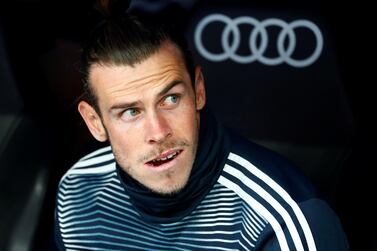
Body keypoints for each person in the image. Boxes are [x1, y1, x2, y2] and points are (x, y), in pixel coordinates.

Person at [54, 2, 349, 250]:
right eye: (130, 112)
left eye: (170, 99)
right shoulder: (76, 191)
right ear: (95, 123)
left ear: (198, 91)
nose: (158, 132)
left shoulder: (285, 218)